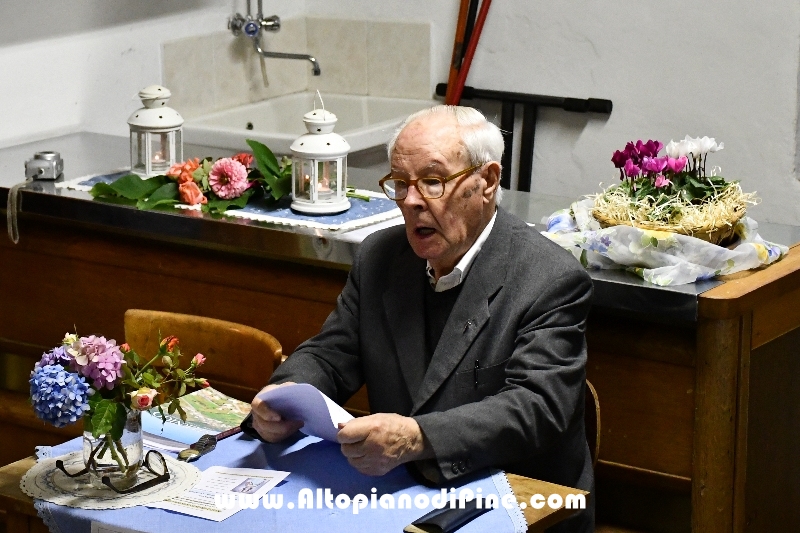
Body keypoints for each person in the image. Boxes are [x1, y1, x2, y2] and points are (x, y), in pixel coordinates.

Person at [243, 105, 594, 531]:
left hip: (519, 503)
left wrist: (417, 437)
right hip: (405, 492)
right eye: (401, 184)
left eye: (432, 181)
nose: (411, 201)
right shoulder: (381, 257)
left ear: (487, 181)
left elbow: (537, 409)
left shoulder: (548, 277)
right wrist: (285, 395)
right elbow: (331, 353)